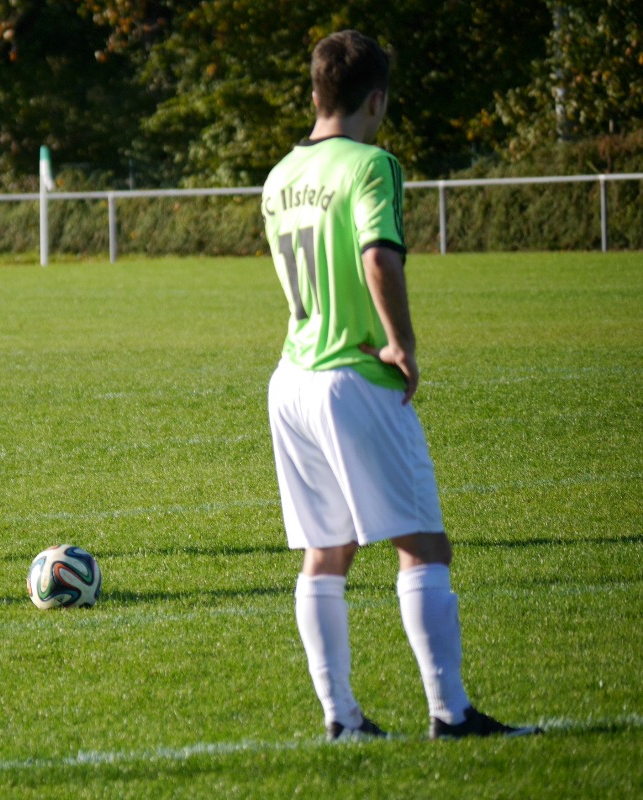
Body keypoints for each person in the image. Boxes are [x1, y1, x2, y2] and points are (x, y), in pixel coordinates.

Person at [262, 30, 539, 740]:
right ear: (376, 100)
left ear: (316, 93)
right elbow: (378, 257)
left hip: (291, 377)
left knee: (326, 551)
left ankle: (342, 718)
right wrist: (403, 344)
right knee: (423, 545)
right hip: (352, 377)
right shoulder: (373, 165)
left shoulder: (279, 176)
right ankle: (450, 714)